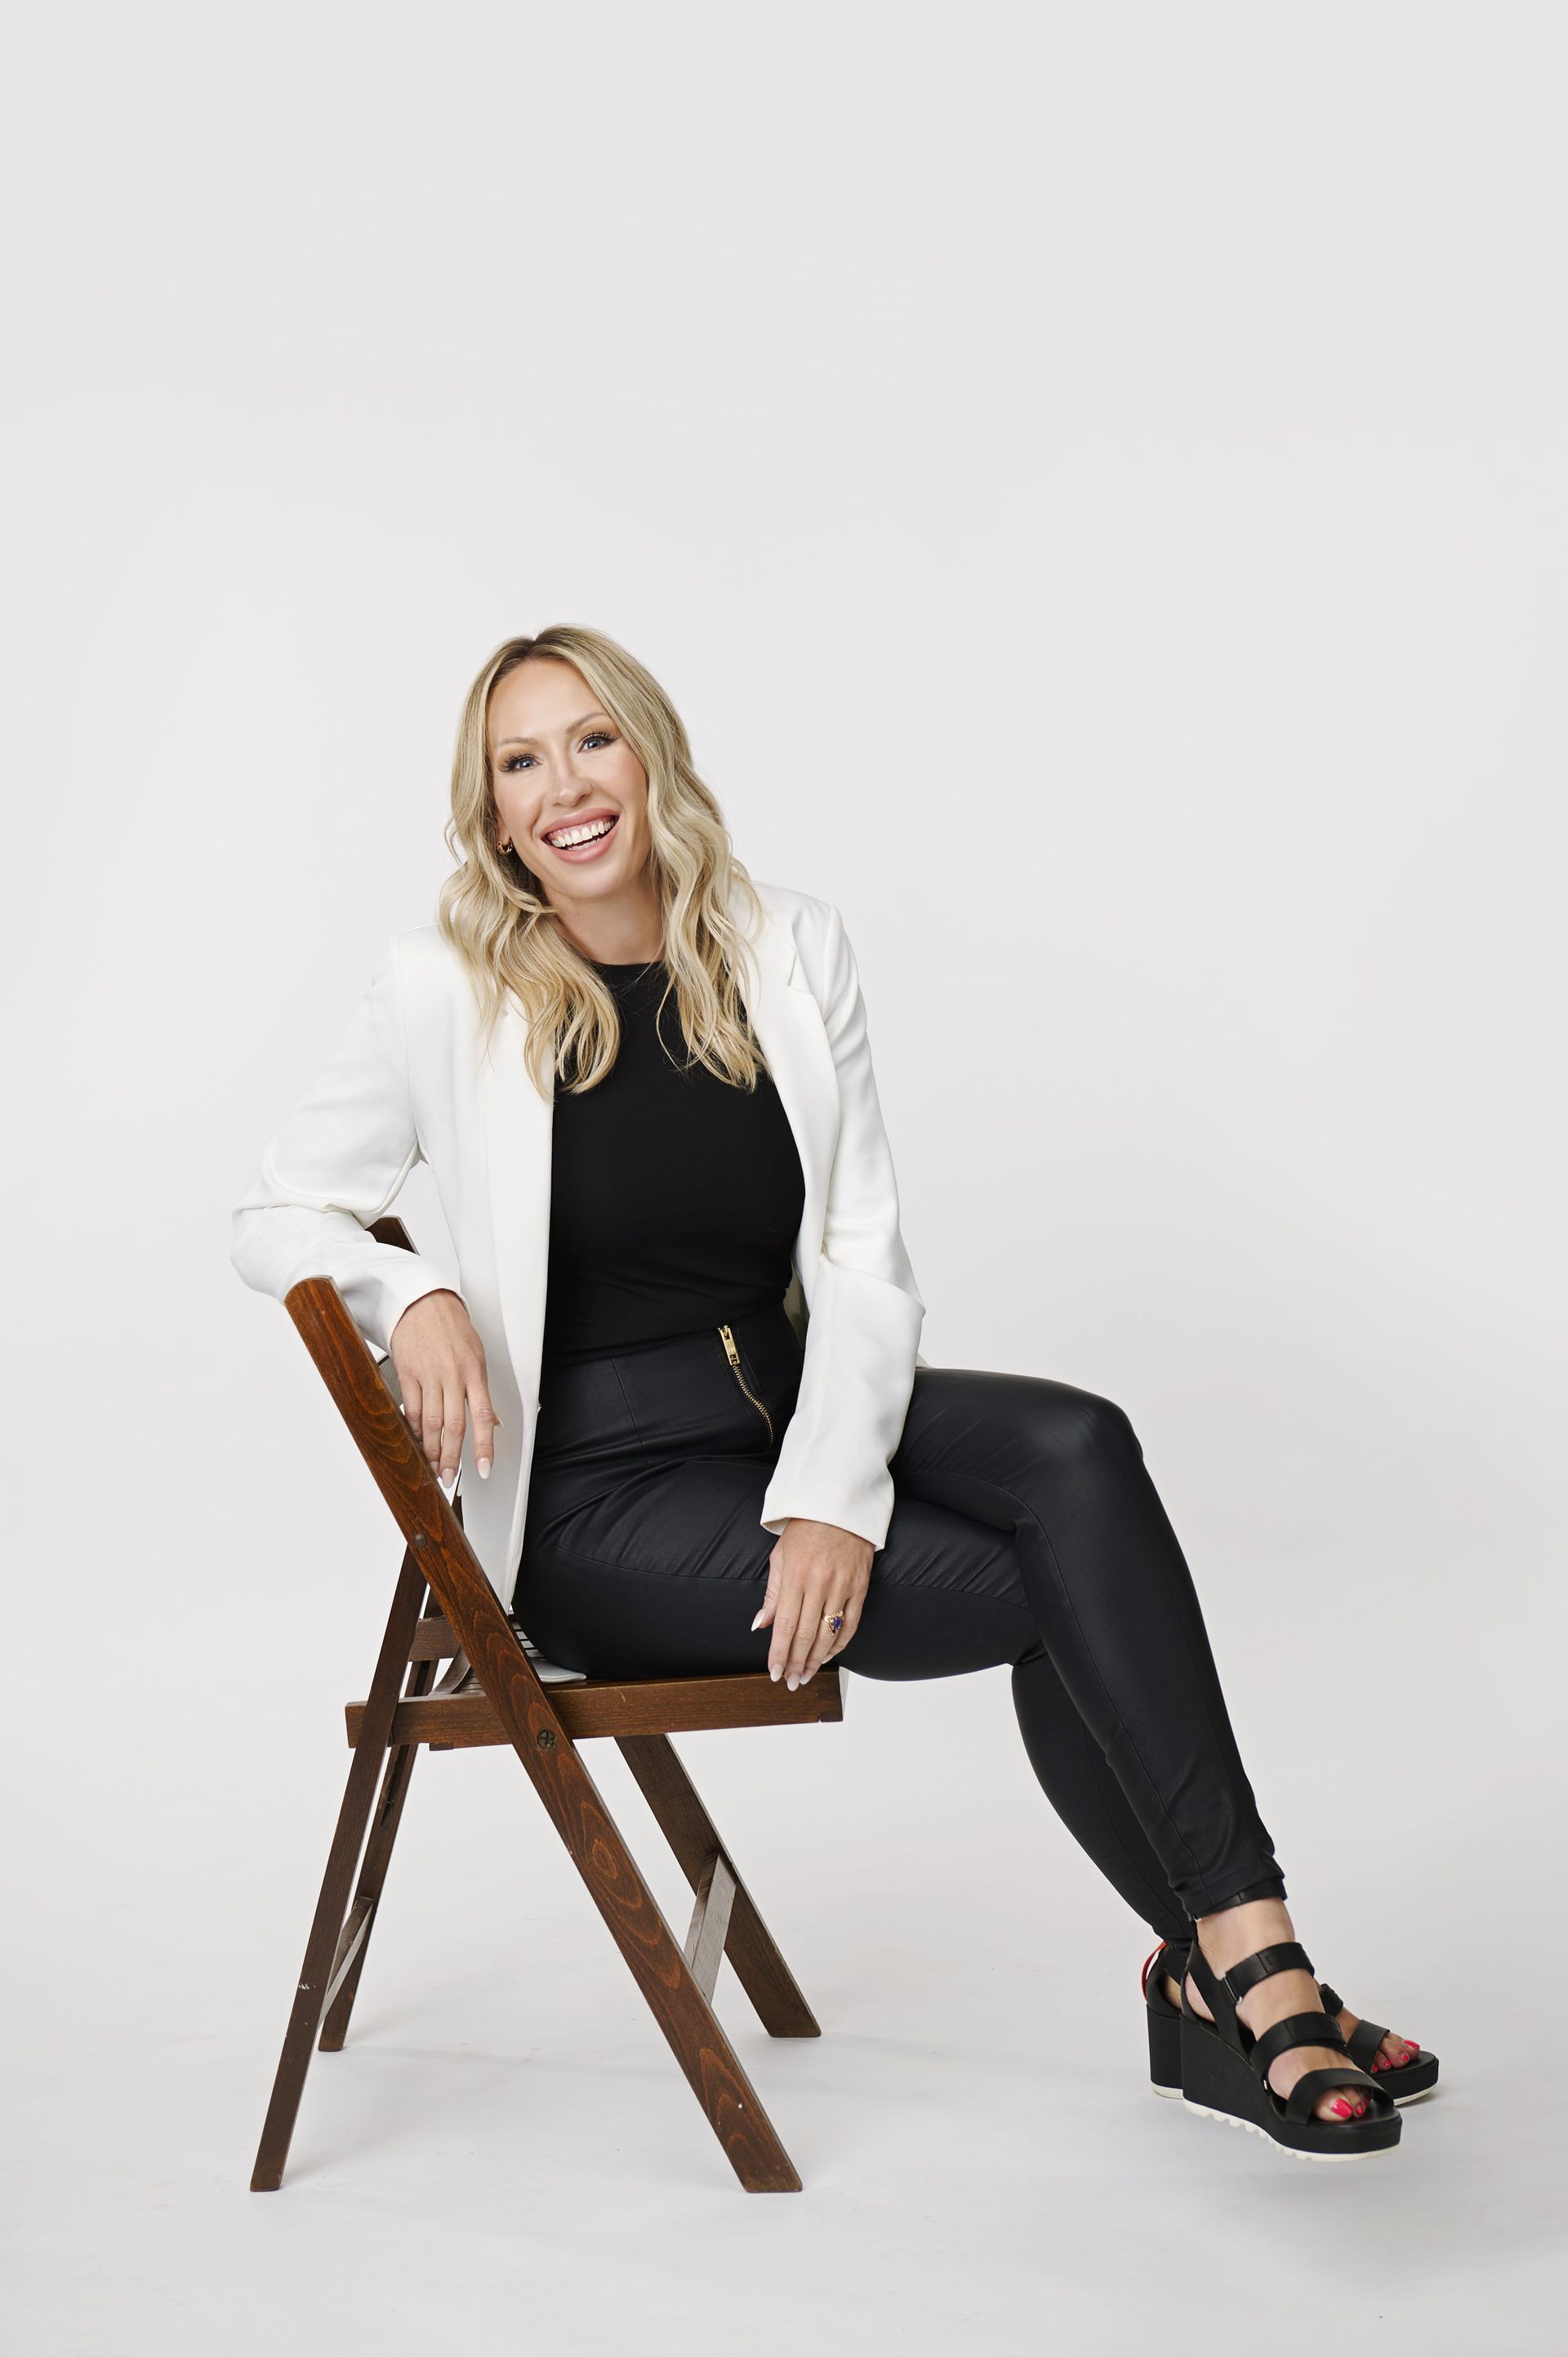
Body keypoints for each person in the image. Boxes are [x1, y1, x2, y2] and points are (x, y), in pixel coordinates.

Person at [231, 625, 1436, 2163]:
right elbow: (275, 1214)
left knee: (1081, 1444)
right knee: (1040, 1582)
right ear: (491, 809)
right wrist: (422, 1292)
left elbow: (864, 1252)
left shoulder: (786, 944)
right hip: (602, 1493)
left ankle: (1237, 1956)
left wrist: (823, 1491)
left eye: (590, 741)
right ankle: (1255, 1976)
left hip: (786, 1400)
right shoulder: (443, 986)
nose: (565, 789)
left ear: (649, 751)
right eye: (519, 762)